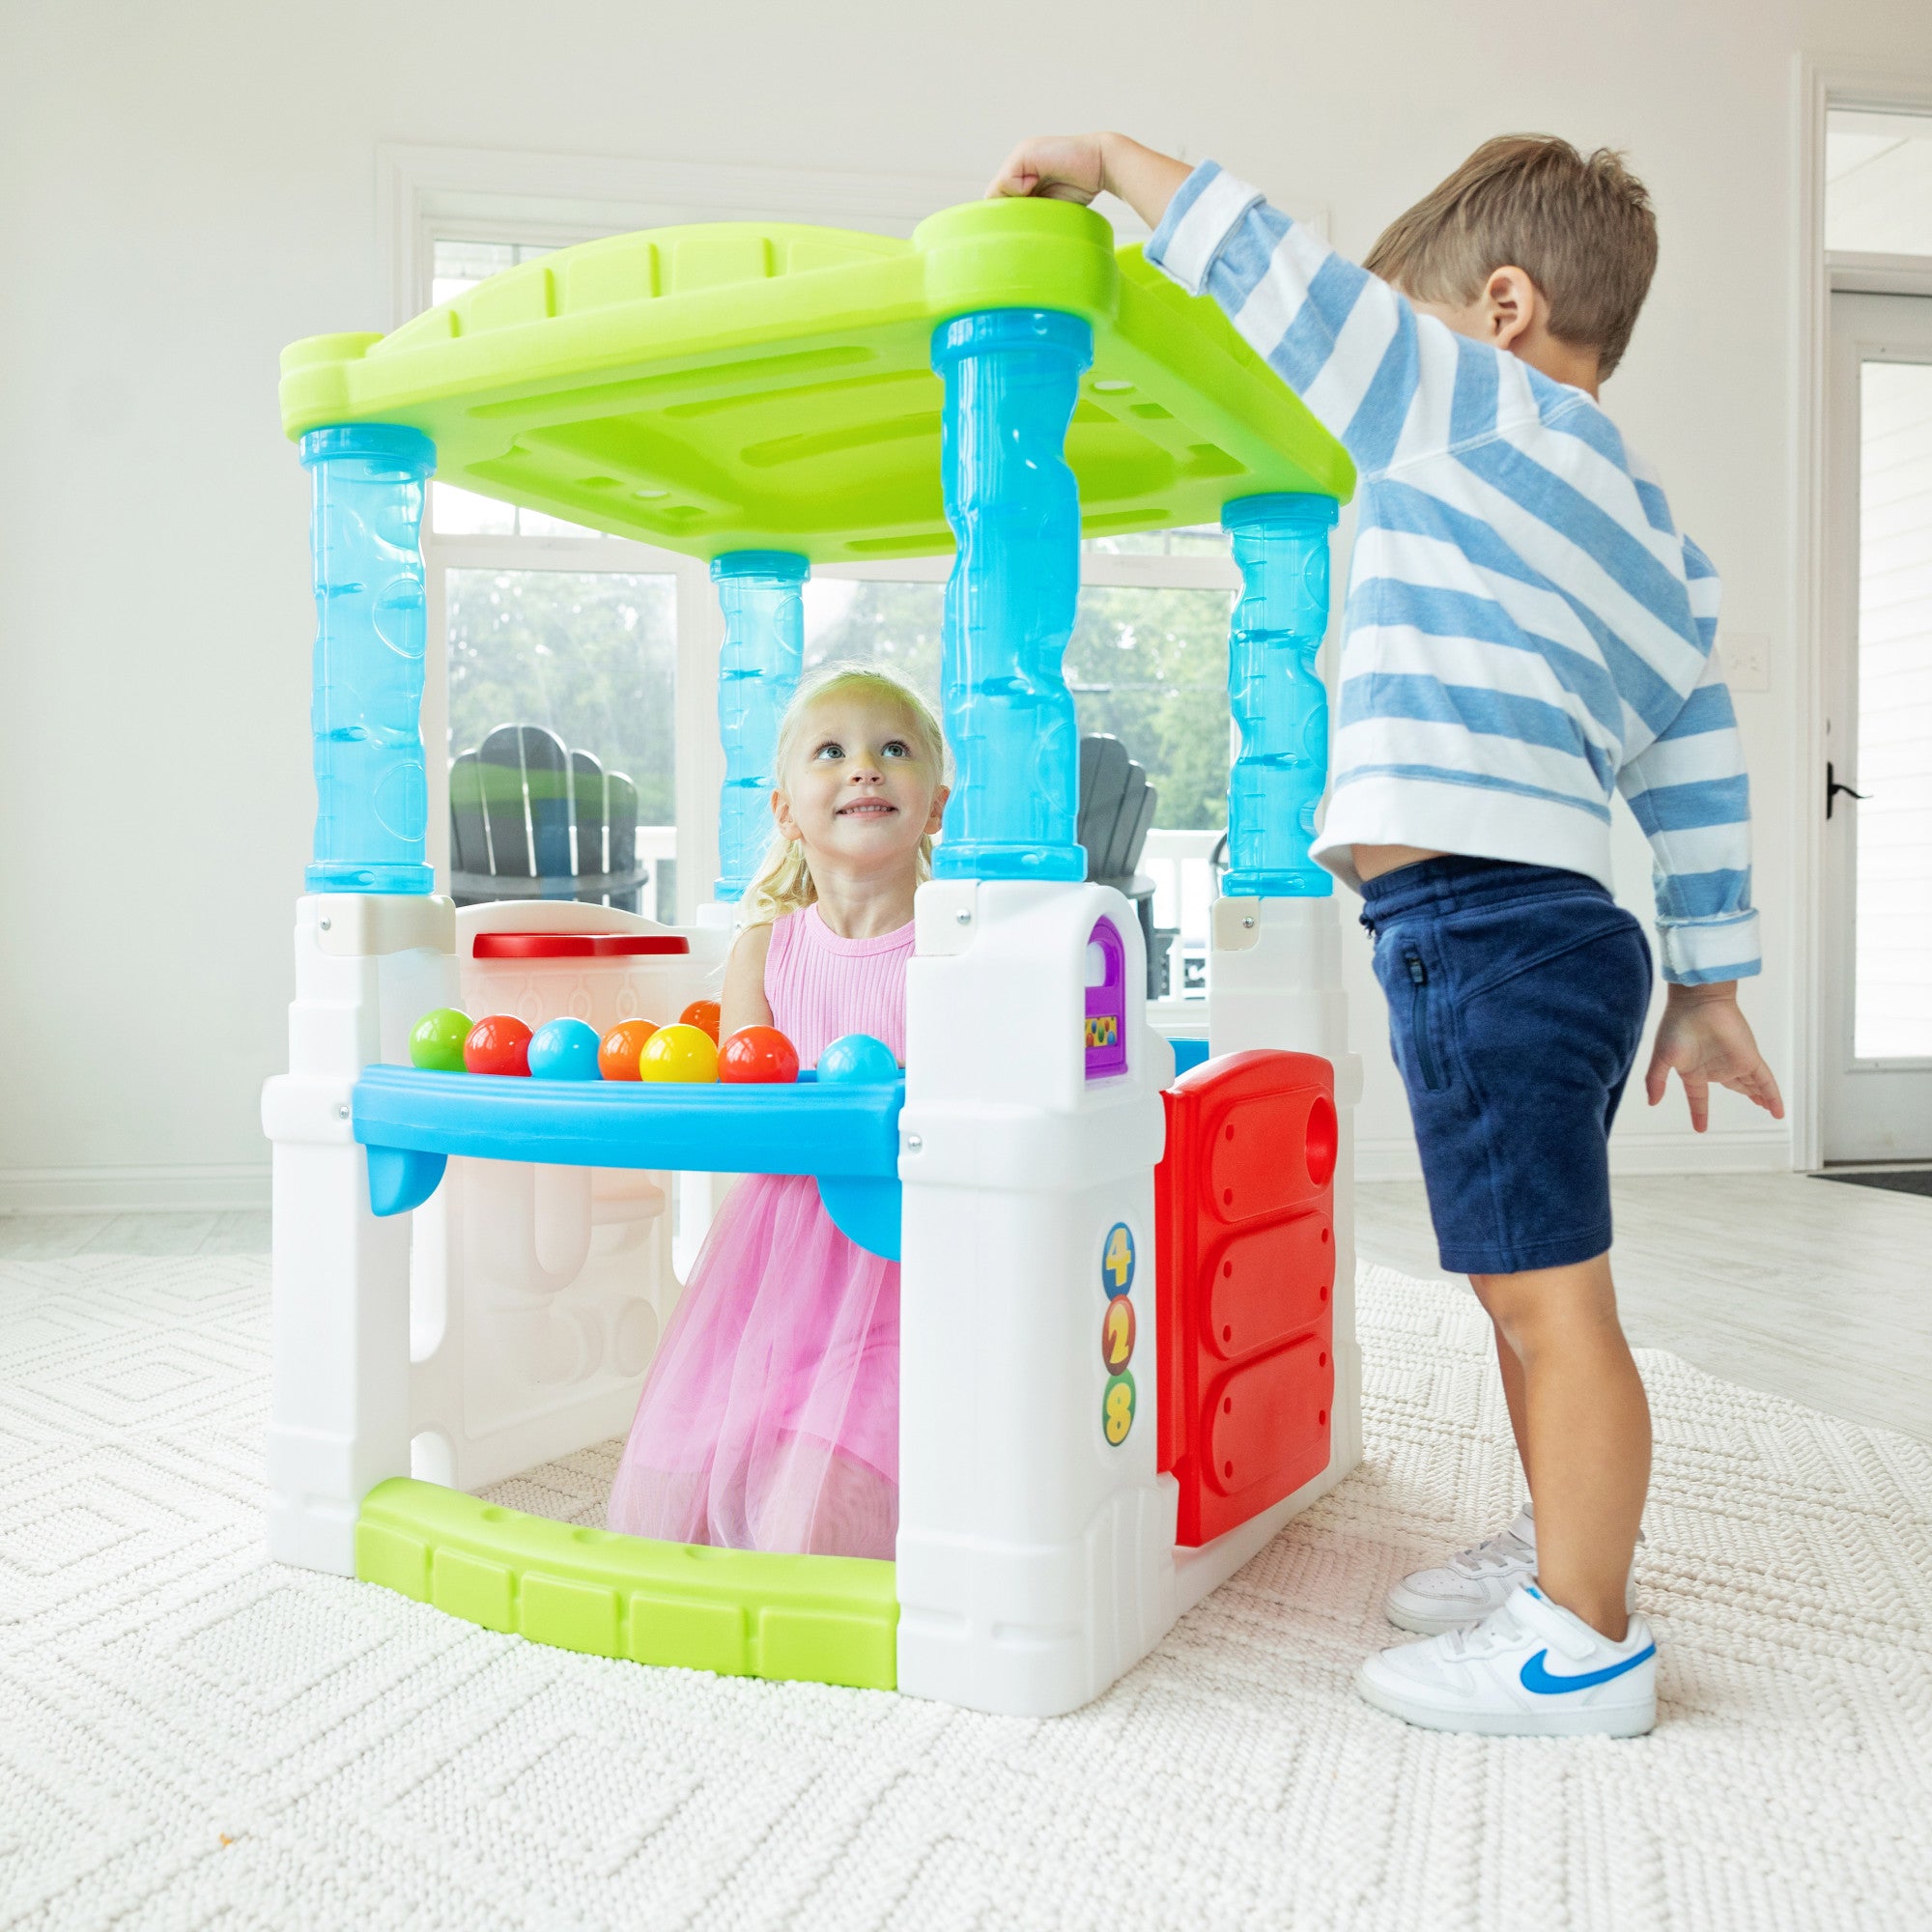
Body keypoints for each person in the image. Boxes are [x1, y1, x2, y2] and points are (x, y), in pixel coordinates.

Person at [988, 131, 1784, 1736]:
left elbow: (1278, 275)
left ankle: (1584, 1643)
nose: (1381, 353)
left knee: (1550, 1300)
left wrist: (1112, 160)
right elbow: (1697, 760)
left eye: (1407, 322)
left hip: (1487, 927)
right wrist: (1709, 977)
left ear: (1500, 309)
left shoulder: (1474, 403)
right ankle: (1559, 1554)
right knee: (1518, 1282)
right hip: (1550, 929)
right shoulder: (1658, 546)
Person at [607, 666, 948, 1560]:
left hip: (910, 1260)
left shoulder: (959, 950)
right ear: (787, 812)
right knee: (671, 1508)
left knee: (817, 1521)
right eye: (831, 751)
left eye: (894, 748)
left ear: (937, 806)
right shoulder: (766, 949)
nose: (864, 766)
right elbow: (745, 1112)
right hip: (777, 1263)